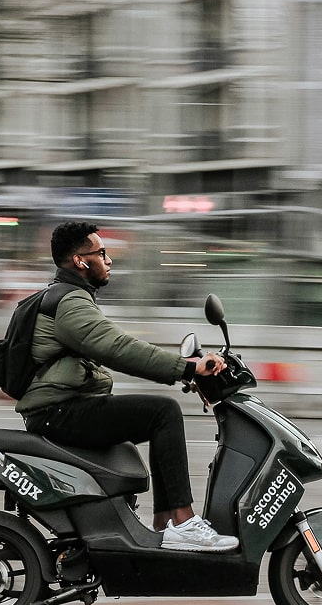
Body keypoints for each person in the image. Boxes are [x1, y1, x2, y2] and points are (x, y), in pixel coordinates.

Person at [16, 219, 238, 553]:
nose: (109, 260)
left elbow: (113, 347)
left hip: (60, 408)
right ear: (80, 260)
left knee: (154, 413)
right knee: (162, 411)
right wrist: (188, 367)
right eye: (101, 253)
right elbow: (118, 348)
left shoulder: (68, 297)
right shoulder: (69, 303)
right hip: (58, 412)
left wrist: (184, 369)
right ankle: (184, 521)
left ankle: (165, 522)